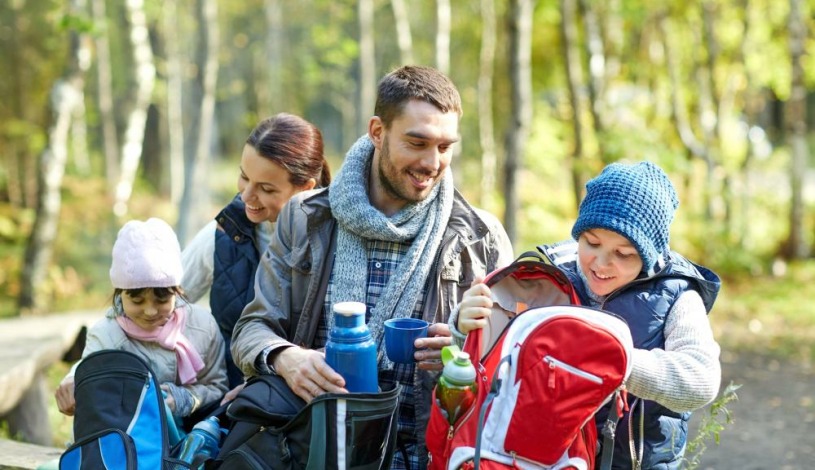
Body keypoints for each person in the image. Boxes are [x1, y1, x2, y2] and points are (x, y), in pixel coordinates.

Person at [230, 65, 514, 469]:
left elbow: (512, 369)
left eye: (445, 147)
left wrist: (461, 354)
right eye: (417, 143)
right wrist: (285, 358)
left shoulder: (480, 237)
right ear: (377, 131)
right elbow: (250, 329)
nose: (432, 162)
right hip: (316, 444)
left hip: (429, 454)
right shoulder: (306, 217)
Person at [454, 161, 721, 469]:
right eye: (591, 243)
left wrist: (616, 362)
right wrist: (465, 326)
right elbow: (492, 356)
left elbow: (701, 381)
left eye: (623, 254)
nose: (601, 263)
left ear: (650, 255)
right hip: (546, 459)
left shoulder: (677, 296)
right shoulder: (549, 278)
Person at [180, 113, 330, 392]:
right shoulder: (226, 232)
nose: (246, 196)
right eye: (244, 177)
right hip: (231, 402)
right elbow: (161, 295)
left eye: (266, 188)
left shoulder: (336, 241)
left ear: (306, 188)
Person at [55, 218, 229, 428]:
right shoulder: (107, 334)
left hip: (186, 441)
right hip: (124, 442)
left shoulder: (202, 327)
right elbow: (91, 371)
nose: (150, 310)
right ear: (120, 294)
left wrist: (184, 399)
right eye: (137, 300)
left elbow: (217, 386)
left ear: (177, 290)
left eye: (162, 299)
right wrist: (74, 382)